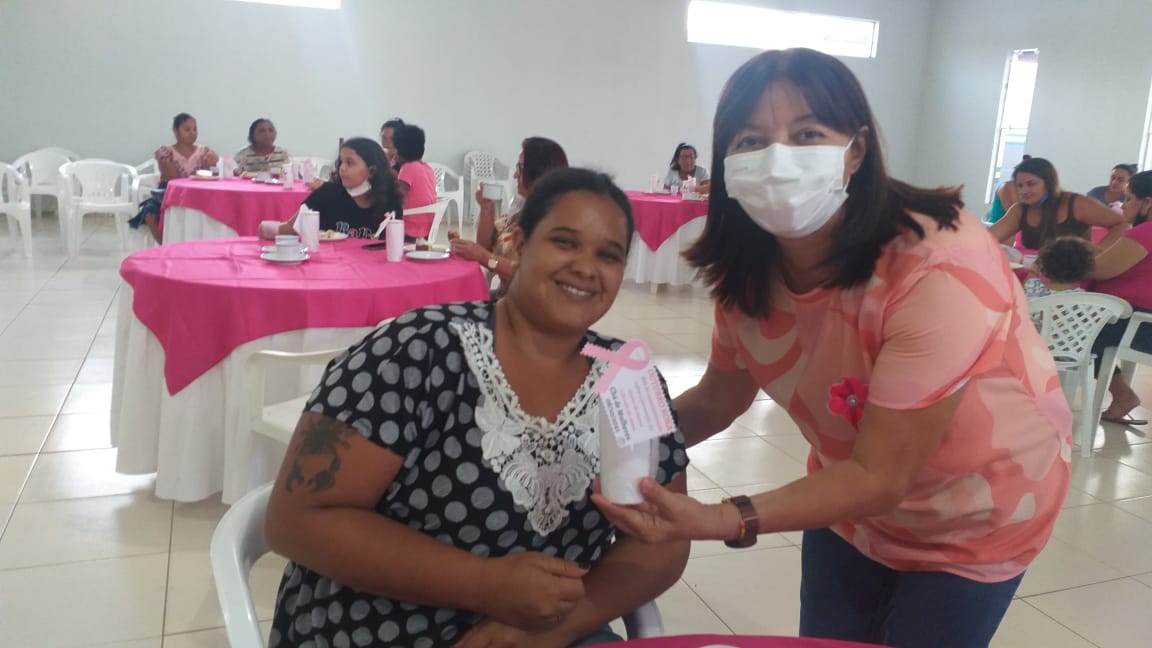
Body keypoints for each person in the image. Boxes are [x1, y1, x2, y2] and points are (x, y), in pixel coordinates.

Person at [592, 48, 1071, 648]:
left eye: (807, 134)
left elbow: (882, 474)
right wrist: (610, 447)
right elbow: (718, 398)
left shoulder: (938, 264)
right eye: (751, 140)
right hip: (847, 502)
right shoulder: (751, 264)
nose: (777, 160)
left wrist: (721, 517)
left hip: (974, 514)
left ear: (856, 150)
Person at [264, 168, 691, 647]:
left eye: (608, 255)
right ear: (519, 244)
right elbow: (295, 520)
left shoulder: (627, 377)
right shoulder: (418, 350)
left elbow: (664, 539)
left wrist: (558, 627)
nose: (586, 268)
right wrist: (485, 585)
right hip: (378, 628)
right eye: (565, 242)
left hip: (552, 632)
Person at [450, 137, 569, 291]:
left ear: (537, 173)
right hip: (507, 297)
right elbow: (485, 246)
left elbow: (524, 274)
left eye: (520, 168)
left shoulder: (550, 221)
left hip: (526, 303)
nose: (515, 175)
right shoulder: (521, 210)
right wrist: (486, 208)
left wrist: (483, 257)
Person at [1088, 169, 1152, 425]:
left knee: (1073, 328)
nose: (1123, 205)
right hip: (1140, 321)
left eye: (1129, 199)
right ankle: (1122, 394)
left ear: (1147, 203)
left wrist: (1068, 255)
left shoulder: (1146, 232)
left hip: (1140, 325)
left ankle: (1121, 394)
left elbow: (1101, 269)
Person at [266, 137, 402, 239]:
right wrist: (265, 229)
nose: (342, 168)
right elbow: (290, 229)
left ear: (372, 171)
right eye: (341, 162)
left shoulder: (389, 202)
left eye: (350, 163)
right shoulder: (326, 194)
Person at [989, 156, 1126, 250]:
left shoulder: (1076, 204)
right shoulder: (1020, 210)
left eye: (1031, 184)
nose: (1024, 191)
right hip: (1034, 273)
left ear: (1049, 182)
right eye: (1019, 186)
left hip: (1072, 276)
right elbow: (988, 238)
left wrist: (1098, 252)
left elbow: (1122, 224)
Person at [129, 112, 219, 242]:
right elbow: (172, 178)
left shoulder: (204, 151)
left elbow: (212, 177)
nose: (192, 133)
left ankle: (201, 244)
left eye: (195, 129)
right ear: (175, 131)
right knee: (150, 212)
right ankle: (165, 245)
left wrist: (213, 164)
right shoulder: (166, 152)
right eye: (187, 129)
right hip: (169, 194)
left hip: (198, 194)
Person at [392, 123, 439, 239]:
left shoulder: (408, 168)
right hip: (427, 228)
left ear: (400, 151)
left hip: (409, 229)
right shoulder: (427, 168)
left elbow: (396, 196)